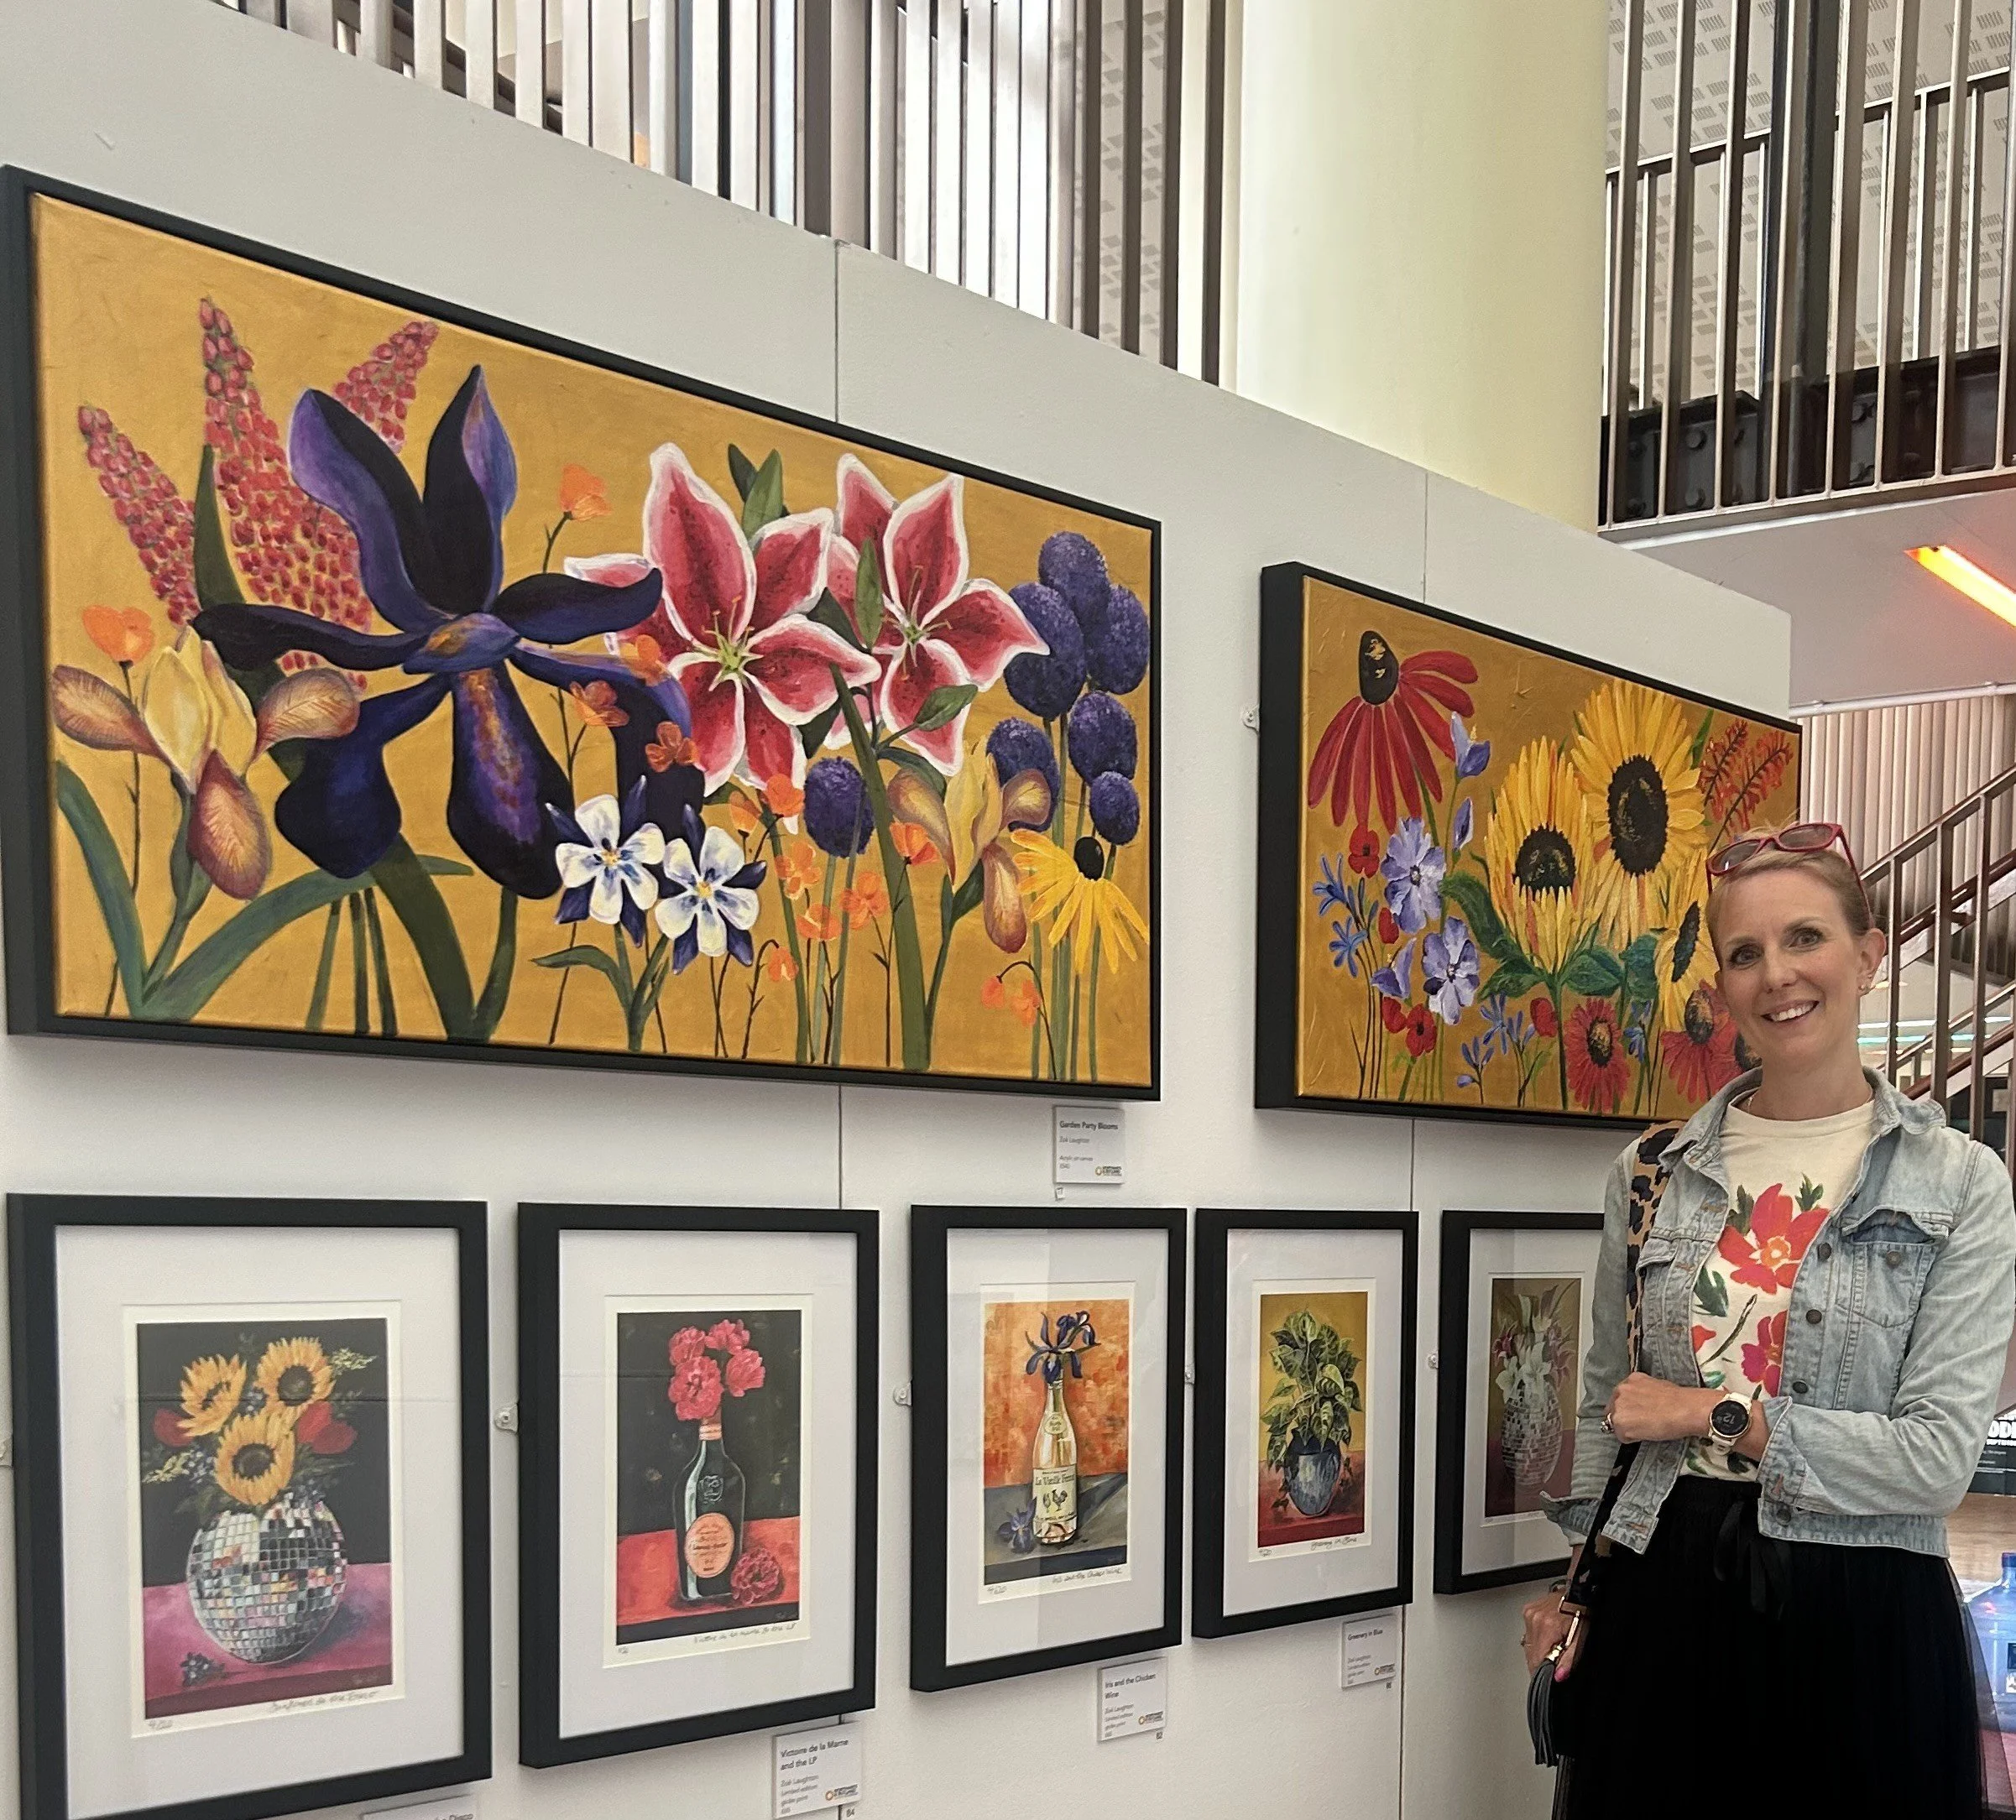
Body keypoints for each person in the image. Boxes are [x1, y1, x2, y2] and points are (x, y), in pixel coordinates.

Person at [1519, 821, 2016, 1817]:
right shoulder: (1653, 1171)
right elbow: (1602, 1410)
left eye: (1803, 939)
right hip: (1660, 1598)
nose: (1776, 975)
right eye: (1743, 953)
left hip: (1863, 1609)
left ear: (1866, 955)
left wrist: (1715, 1415)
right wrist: (1573, 1579)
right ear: (1720, 987)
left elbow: (1932, 1460)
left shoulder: (1958, 1182)